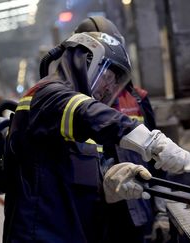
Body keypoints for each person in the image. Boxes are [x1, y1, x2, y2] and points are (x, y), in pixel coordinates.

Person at [2, 22, 190, 243]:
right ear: (88, 61)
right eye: (110, 77)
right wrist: (151, 141)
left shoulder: (71, 120)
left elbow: (65, 175)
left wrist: (107, 186)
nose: (111, 88)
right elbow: (87, 113)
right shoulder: (47, 95)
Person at [72, 16, 163, 243]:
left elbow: (157, 161)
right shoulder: (70, 107)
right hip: (93, 221)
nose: (107, 80)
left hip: (138, 213)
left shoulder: (137, 99)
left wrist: (162, 210)